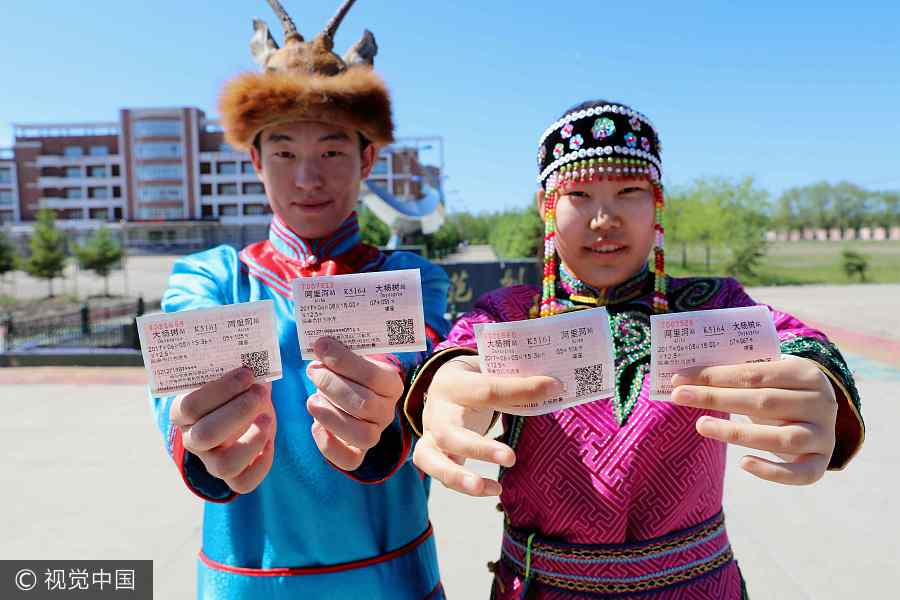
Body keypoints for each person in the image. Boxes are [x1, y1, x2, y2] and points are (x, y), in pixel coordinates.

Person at [408, 99, 864, 599]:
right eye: (578, 194)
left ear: (658, 204)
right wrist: (448, 389)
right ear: (546, 208)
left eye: (629, 191)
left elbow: (797, 341)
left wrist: (817, 382)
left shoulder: (711, 306)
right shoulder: (512, 313)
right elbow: (462, 353)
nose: (605, 219)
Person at [149, 2, 449, 598]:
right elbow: (182, 361)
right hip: (246, 583)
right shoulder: (209, 277)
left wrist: (387, 398)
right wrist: (197, 426)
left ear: (367, 158)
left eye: (333, 152)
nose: (308, 178)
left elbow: (422, 364)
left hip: (393, 582)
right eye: (284, 153)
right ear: (256, 160)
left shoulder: (412, 277)